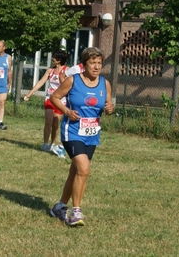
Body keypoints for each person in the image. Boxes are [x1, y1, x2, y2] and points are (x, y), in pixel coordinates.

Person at [49, 47, 115, 227]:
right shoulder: (73, 81)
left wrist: (110, 109)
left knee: (76, 171)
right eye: (93, 63)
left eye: (99, 63)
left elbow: (108, 105)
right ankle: (76, 212)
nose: (96, 66)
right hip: (72, 131)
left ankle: (60, 206)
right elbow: (55, 97)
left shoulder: (105, 83)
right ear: (84, 64)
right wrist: (67, 111)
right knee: (84, 169)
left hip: (92, 134)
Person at [24, 49, 68, 158]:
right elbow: (40, 82)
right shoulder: (50, 70)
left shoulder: (67, 71)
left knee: (56, 123)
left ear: (59, 60)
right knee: (48, 121)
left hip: (61, 100)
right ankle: (45, 143)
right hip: (49, 98)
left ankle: (52, 144)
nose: (52, 59)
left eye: (54, 57)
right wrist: (29, 94)